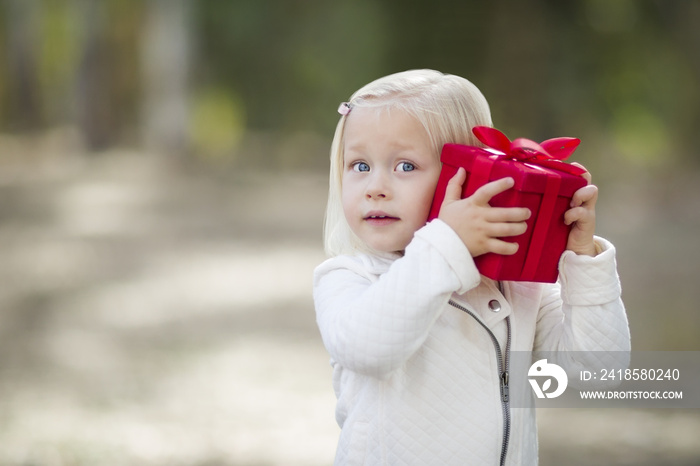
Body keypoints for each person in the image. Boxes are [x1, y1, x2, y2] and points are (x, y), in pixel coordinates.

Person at [313, 69, 630, 465]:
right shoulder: (348, 278)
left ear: (467, 173)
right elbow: (370, 350)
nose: (375, 186)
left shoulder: (516, 286)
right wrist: (447, 244)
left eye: (405, 166)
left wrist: (583, 262)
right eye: (359, 166)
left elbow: (595, 376)